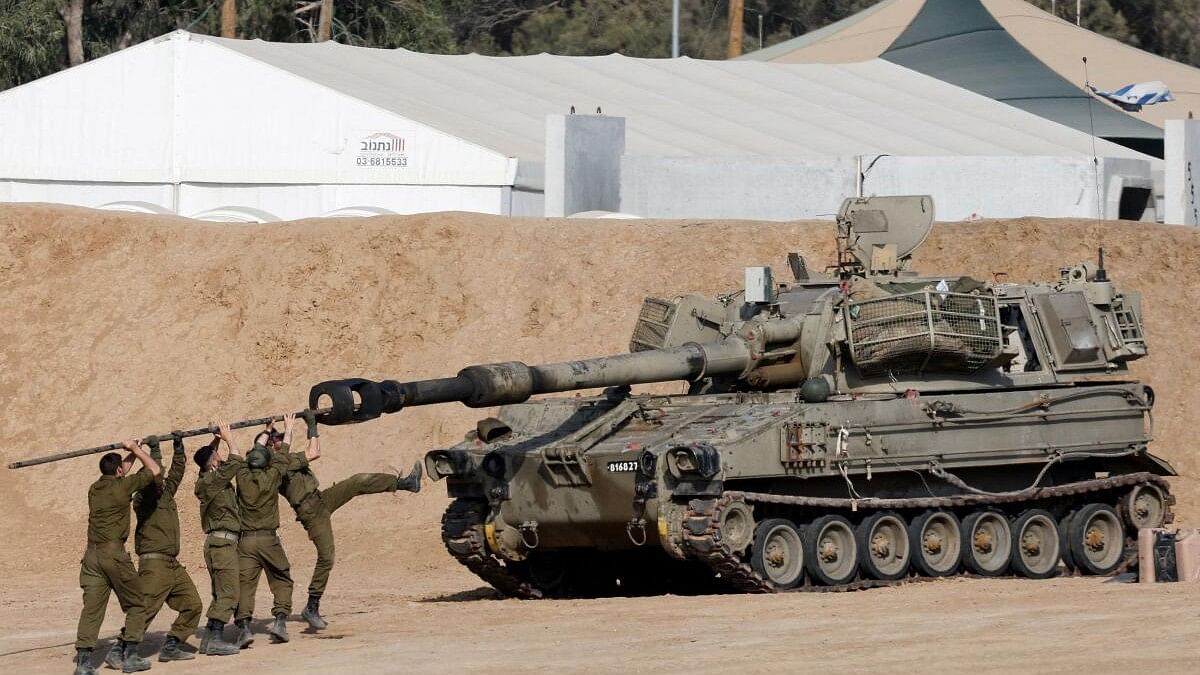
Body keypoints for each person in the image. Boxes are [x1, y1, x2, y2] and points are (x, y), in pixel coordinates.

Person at [278, 409, 422, 630]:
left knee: (357, 482)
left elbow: (308, 451)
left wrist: (277, 428)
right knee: (327, 556)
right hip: (312, 513)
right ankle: (312, 606)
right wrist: (310, 425)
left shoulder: (286, 459)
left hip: (321, 499)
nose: (281, 440)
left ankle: (405, 484)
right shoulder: (277, 465)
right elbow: (314, 452)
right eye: (276, 440)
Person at [73, 440, 161, 675]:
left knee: (92, 609)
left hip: (91, 556)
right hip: (114, 555)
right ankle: (130, 656)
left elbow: (121, 472)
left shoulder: (95, 488)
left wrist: (130, 453)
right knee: (136, 603)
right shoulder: (123, 486)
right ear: (119, 472)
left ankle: (83, 663)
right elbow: (155, 470)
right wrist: (138, 451)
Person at [233, 413, 315, 646]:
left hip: (245, 542)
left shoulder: (241, 475)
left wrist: (266, 430)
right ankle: (279, 622)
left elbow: (242, 452)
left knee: (245, 585)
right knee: (281, 579)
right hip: (268, 539)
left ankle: (245, 629)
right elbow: (285, 451)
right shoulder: (273, 474)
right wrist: (288, 427)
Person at [123, 433, 204, 664]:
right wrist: (155, 450)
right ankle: (123, 649)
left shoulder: (165, 494)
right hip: (154, 563)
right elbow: (156, 473)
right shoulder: (144, 498)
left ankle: (172, 645)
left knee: (192, 605)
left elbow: (176, 472)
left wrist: (179, 447)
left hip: (171, 563)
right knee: (145, 609)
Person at [191, 425, 244, 656]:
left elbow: (208, 460)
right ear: (212, 463)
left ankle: (210, 638)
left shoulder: (206, 479)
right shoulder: (214, 480)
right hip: (223, 545)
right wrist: (228, 438)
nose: (220, 458)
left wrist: (215, 442)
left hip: (217, 544)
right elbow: (236, 459)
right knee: (229, 592)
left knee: (220, 592)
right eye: (216, 456)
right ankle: (215, 640)